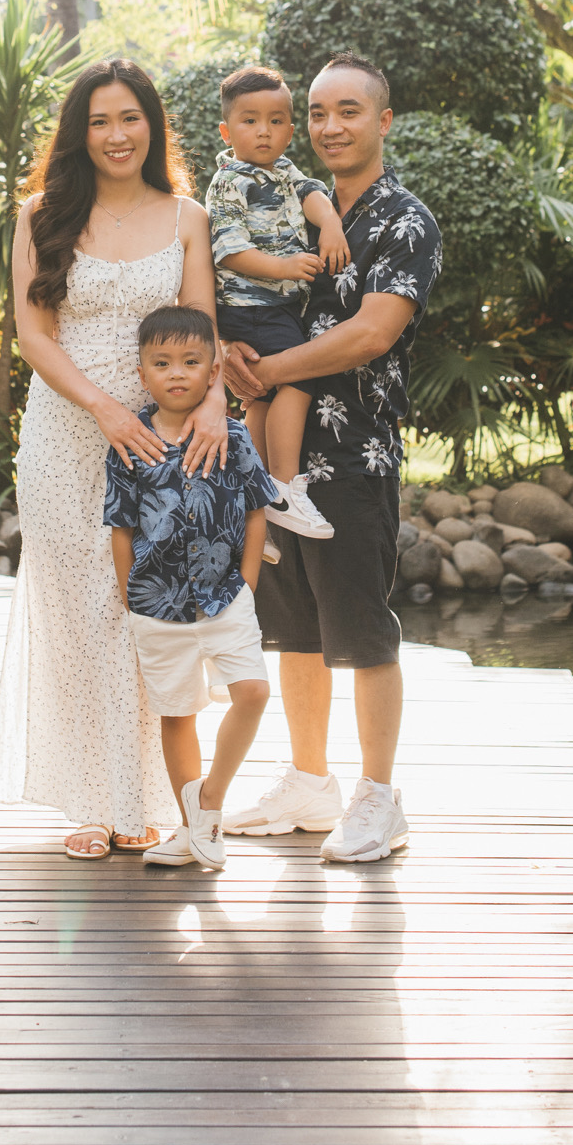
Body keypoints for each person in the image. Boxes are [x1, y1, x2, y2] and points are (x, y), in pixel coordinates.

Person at [0, 57, 228, 860]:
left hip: (160, 441)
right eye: (99, 122)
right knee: (77, 616)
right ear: (78, 133)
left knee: (141, 611)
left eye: (130, 118)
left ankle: (144, 800)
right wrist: (103, 407)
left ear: (152, 125)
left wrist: (213, 405)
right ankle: (91, 802)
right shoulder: (41, 215)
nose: (116, 135)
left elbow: (204, 330)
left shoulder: (188, 217)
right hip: (65, 435)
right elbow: (33, 335)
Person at [222, 52, 441, 864]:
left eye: (348, 111)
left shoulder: (404, 222)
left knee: (362, 628)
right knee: (294, 627)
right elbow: (234, 284)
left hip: (352, 455)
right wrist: (230, 352)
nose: (329, 126)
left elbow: (371, 333)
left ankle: (379, 797)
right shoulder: (281, 201)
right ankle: (309, 781)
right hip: (271, 461)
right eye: (317, 112)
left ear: (383, 121)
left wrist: (271, 368)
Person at [104, 305, 275, 869]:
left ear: (212, 371)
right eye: (162, 363)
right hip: (156, 603)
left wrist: (248, 582)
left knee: (253, 692)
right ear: (142, 373)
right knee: (177, 712)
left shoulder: (231, 436)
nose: (176, 373)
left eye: (191, 361)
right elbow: (121, 526)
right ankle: (192, 830)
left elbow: (256, 510)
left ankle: (210, 801)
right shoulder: (130, 442)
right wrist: (130, 595)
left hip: (226, 596)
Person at [205, 63, 347, 538]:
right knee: (300, 378)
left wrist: (331, 224)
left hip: (277, 307)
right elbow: (230, 251)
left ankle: (254, 504)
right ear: (227, 131)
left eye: (276, 120)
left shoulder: (285, 171)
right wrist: (284, 267)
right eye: (250, 121)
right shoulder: (230, 181)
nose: (263, 131)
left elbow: (312, 194)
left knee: (261, 396)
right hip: (250, 305)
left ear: (290, 130)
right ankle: (286, 487)